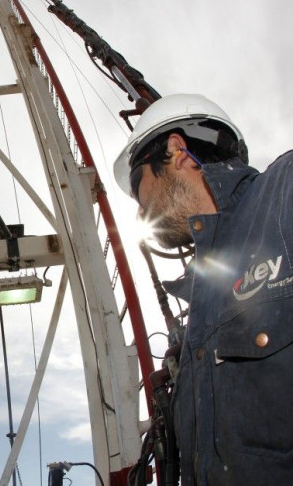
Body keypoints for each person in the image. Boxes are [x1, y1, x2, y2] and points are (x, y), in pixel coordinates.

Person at [113, 93, 293, 485]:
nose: (141, 212)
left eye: (139, 189)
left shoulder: (286, 194)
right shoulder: (201, 301)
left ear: (177, 152)